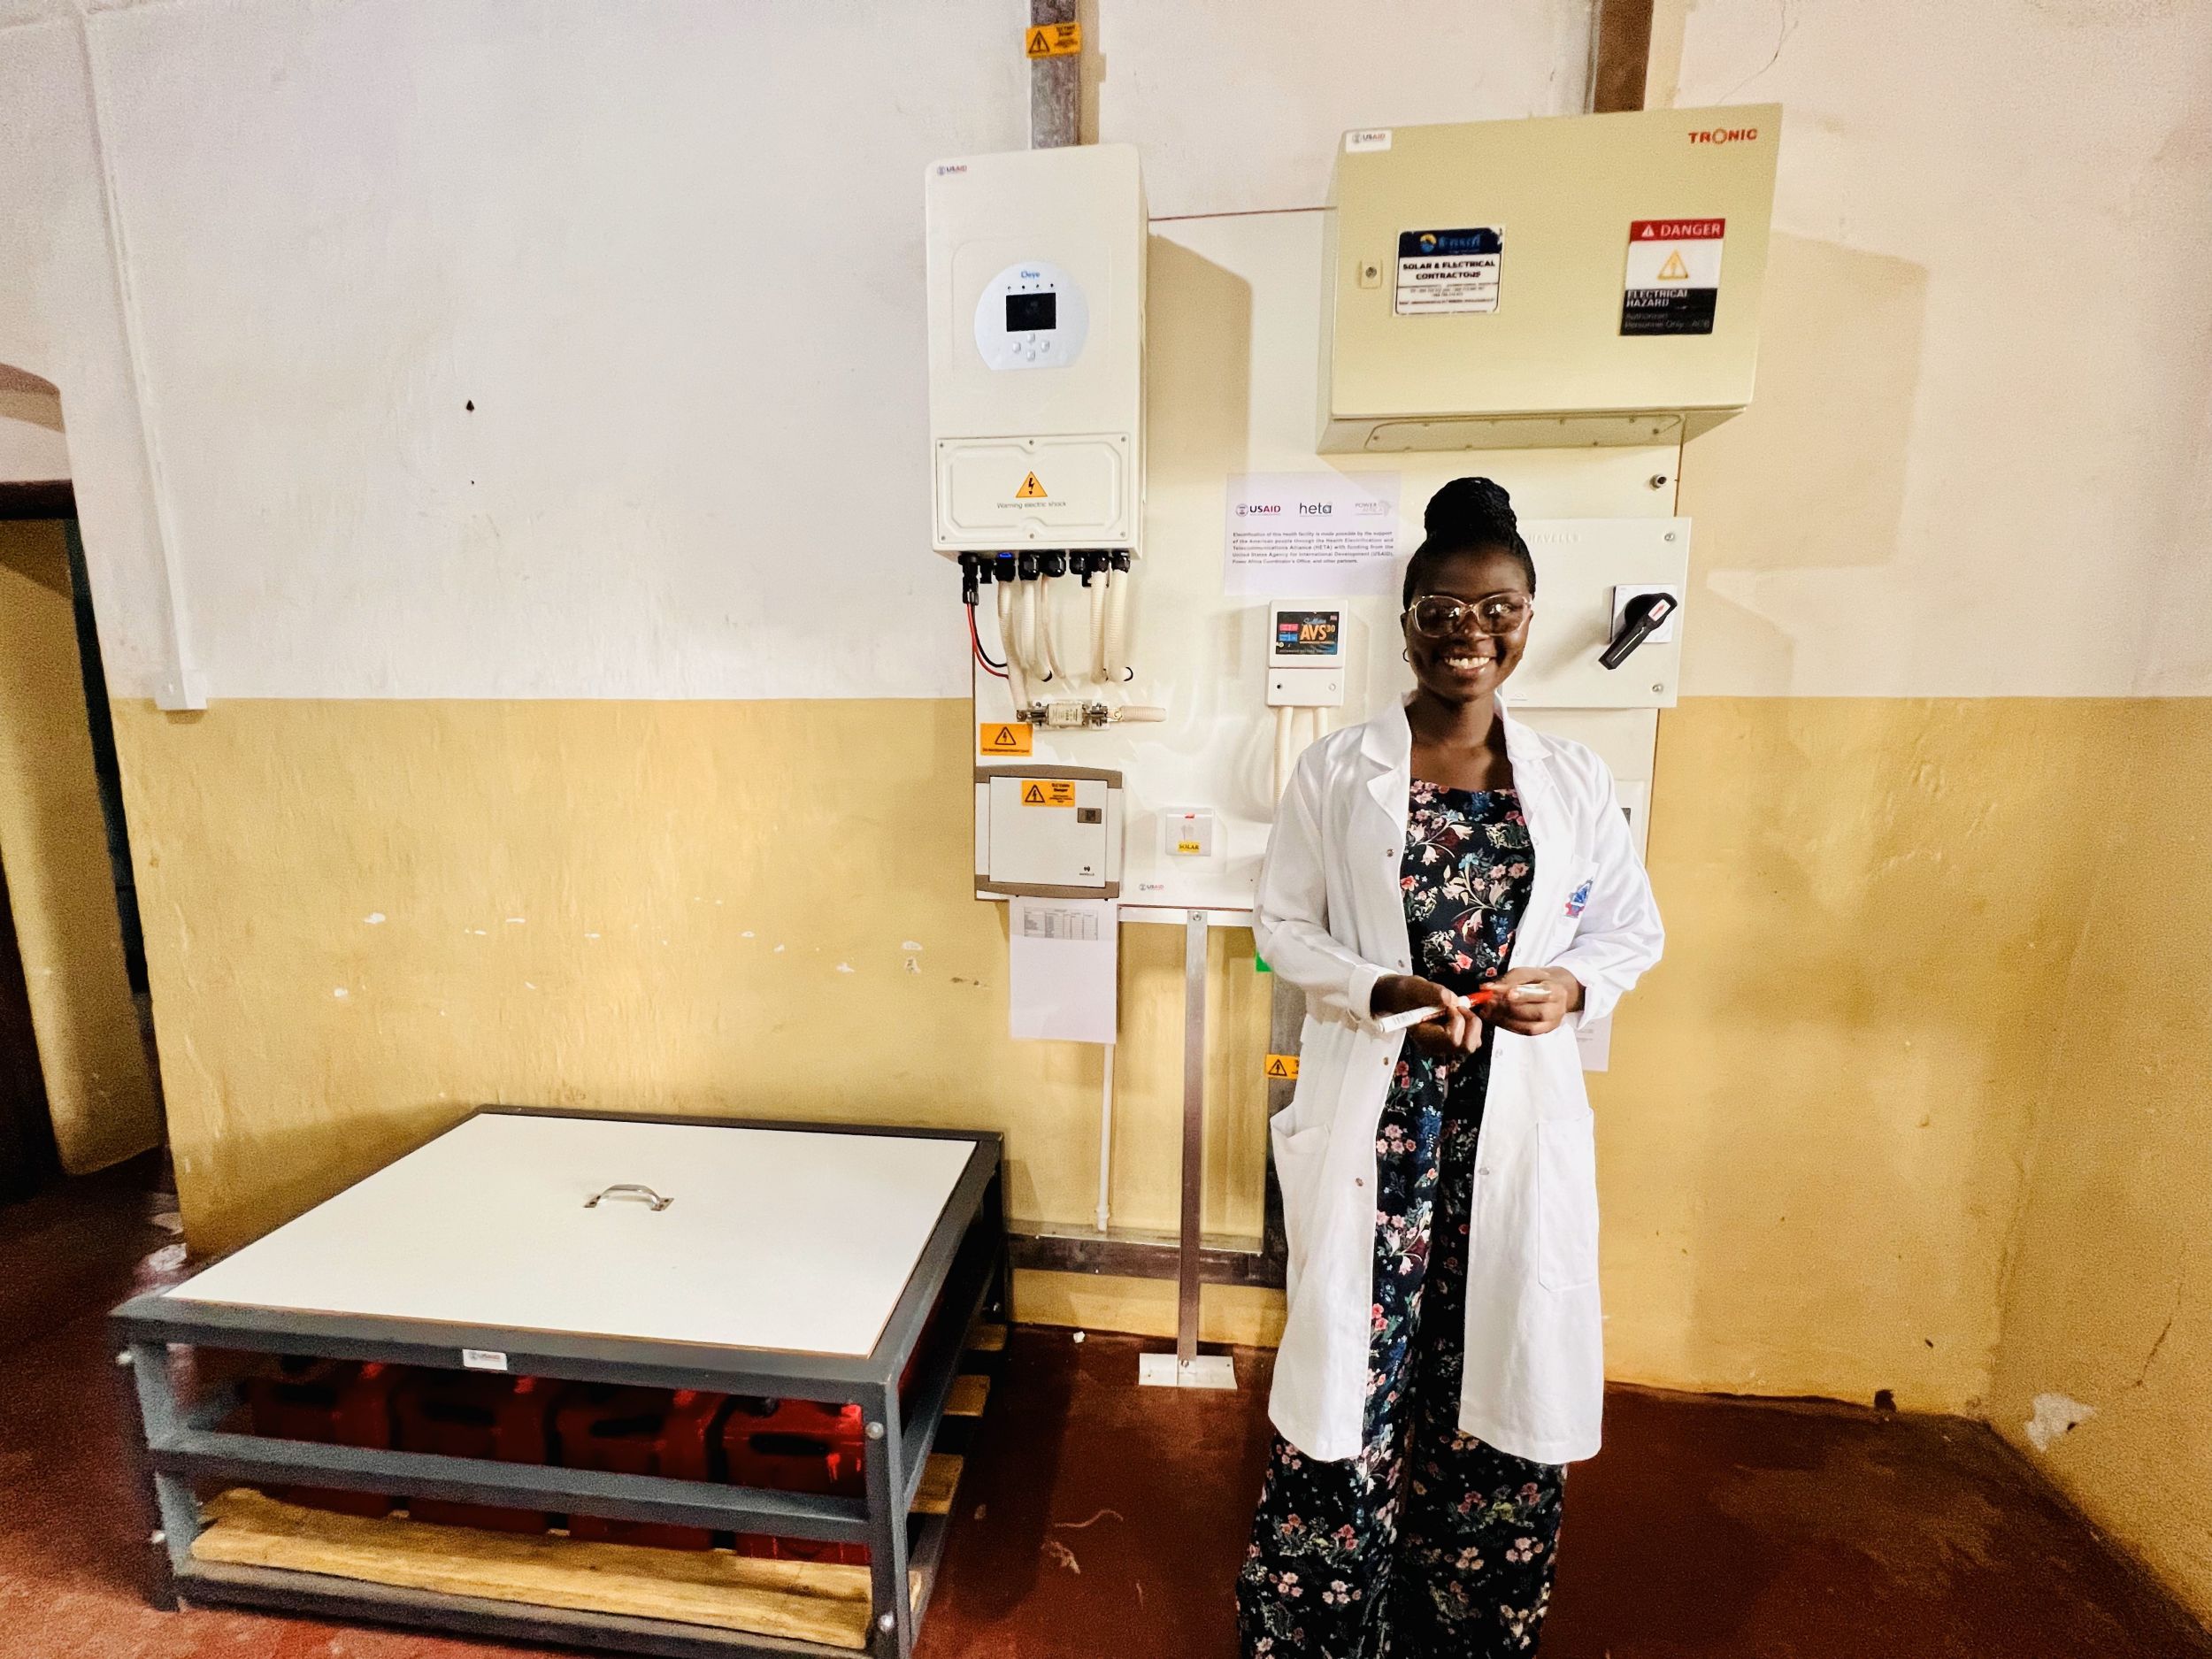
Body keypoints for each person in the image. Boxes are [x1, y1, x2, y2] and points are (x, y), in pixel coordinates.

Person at [1237, 477, 1663, 1655]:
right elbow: (1282, 927)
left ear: (1528, 617)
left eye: (1498, 609)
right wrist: (1384, 992)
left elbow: (1629, 930)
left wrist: (1569, 987)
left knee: (1498, 1375)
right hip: (1386, 1123)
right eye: (1442, 610)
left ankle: (1465, 1632)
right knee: (1357, 1380)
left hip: (1511, 1121)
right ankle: (1324, 1631)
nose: (1470, 634)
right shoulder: (1336, 769)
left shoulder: (1573, 780)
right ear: (1407, 621)